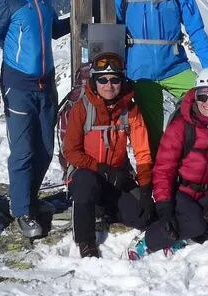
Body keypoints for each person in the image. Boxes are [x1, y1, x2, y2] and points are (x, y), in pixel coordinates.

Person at [0, 0, 70, 239]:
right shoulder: (6, 1)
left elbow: (53, 30)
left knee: (45, 148)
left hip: (47, 84)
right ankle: (21, 211)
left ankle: (30, 201)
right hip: (18, 86)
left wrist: (80, 19)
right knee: (23, 152)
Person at [116, 0, 208, 156]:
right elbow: (114, 30)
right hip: (140, 74)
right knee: (151, 133)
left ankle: (202, 167)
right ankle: (156, 183)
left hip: (175, 68)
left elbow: (196, 30)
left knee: (206, 103)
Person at [131, 68, 208, 259]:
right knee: (196, 223)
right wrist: (164, 205)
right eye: (202, 96)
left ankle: (182, 236)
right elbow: (164, 169)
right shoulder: (181, 127)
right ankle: (147, 241)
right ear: (195, 96)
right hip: (181, 191)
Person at [61, 51, 156, 258]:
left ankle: (101, 208)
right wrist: (101, 169)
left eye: (115, 80)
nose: (109, 85)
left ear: (122, 81)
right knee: (86, 182)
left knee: (142, 216)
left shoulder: (130, 110)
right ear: (94, 81)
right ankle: (86, 241)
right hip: (86, 172)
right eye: (102, 79)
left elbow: (143, 153)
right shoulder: (82, 109)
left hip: (117, 175)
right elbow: (70, 152)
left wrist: (146, 189)